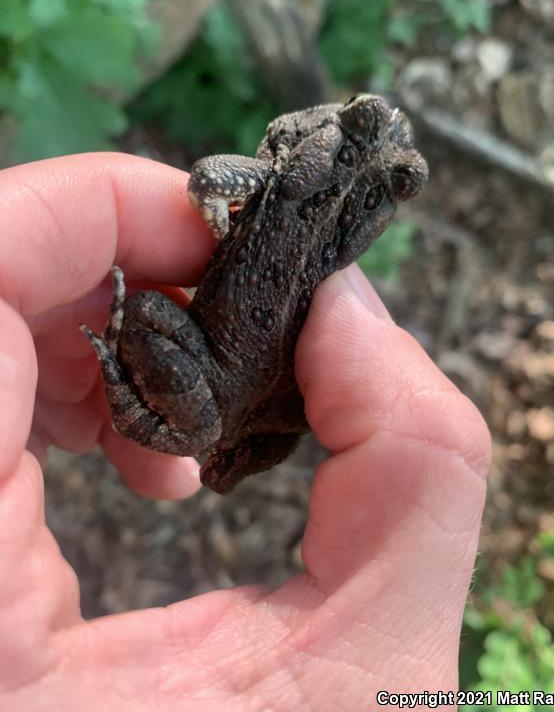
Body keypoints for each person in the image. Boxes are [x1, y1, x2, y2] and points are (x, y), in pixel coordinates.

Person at [0, 153, 490, 710]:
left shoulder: (294, 184)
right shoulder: (302, 200)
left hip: (223, 380)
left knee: (145, 316)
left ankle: (136, 386)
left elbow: (211, 180)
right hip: (240, 376)